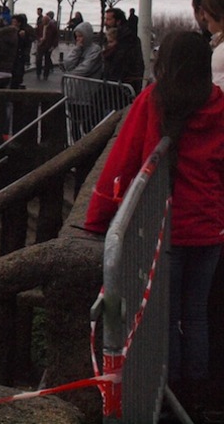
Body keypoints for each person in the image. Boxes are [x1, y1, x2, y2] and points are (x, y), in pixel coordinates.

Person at [83, 31, 224, 406]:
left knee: (167, 315)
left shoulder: (155, 100)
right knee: (195, 315)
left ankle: (169, 391)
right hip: (209, 228)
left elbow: (125, 159)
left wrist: (98, 218)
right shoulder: (219, 103)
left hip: (168, 228)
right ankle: (197, 394)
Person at [102, 7, 145, 93]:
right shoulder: (119, 37)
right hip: (115, 85)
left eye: (109, 19)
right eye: (105, 19)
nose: (105, 23)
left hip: (121, 87)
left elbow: (123, 64)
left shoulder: (128, 40)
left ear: (118, 21)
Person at [35, 13, 58, 80]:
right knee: (38, 59)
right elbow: (36, 33)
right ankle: (38, 72)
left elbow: (55, 37)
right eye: (43, 21)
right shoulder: (40, 26)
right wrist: (39, 39)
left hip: (48, 45)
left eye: (44, 21)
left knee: (47, 60)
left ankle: (45, 75)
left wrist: (53, 46)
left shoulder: (52, 27)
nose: (43, 22)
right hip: (41, 45)